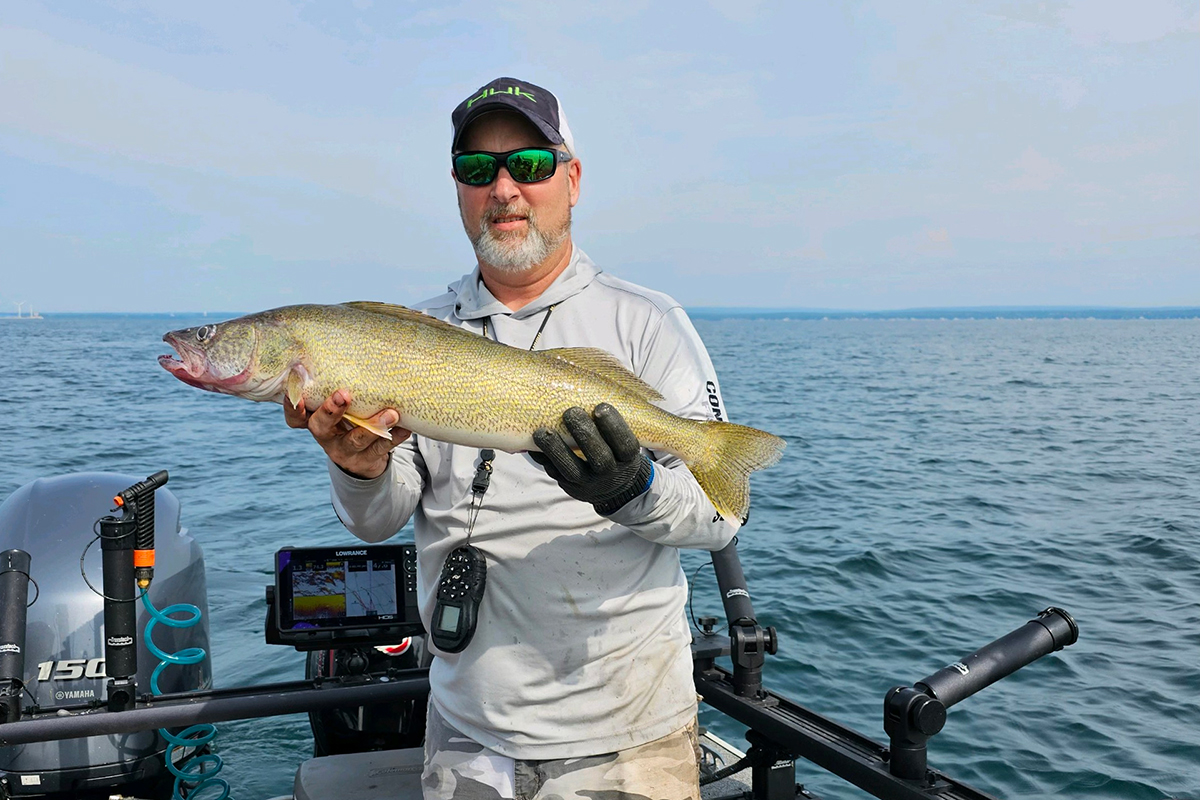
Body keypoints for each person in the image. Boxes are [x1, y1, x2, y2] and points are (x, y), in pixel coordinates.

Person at [285, 77, 739, 800]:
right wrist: (359, 466)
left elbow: (720, 518)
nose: (504, 188)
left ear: (571, 178)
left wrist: (634, 490)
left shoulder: (649, 323)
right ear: (458, 188)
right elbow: (378, 520)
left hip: (628, 731)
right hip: (469, 727)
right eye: (477, 169)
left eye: (527, 164)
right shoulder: (412, 334)